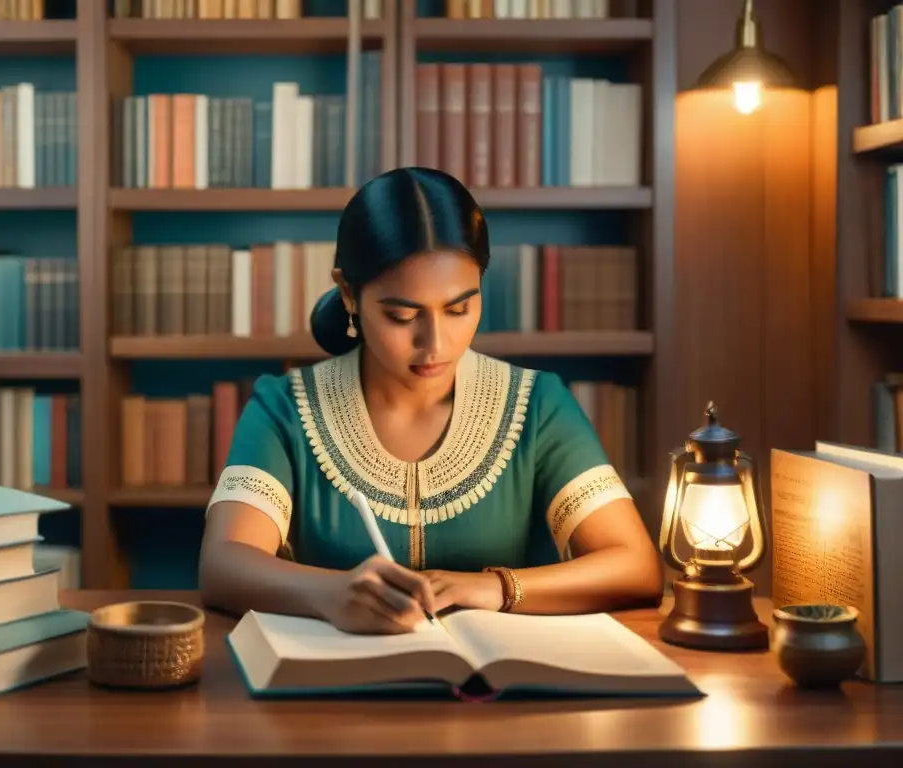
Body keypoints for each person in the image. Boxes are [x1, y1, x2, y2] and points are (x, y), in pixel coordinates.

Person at [199, 167, 663, 635]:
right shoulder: (286, 407)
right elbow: (222, 564)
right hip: (333, 696)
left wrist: (495, 588)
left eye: (460, 308)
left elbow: (636, 567)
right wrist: (334, 594)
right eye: (402, 315)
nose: (435, 342)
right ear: (348, 293)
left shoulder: (537, 405)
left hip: (498, 696)